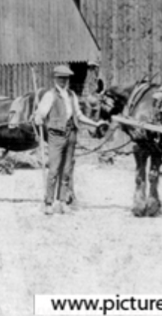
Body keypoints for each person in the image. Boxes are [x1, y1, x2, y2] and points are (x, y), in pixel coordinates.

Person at [33, 65, 107, 215]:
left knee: (66, 170)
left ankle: (62, 202)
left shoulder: (72, 95)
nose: (63, 81)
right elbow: (40, 114)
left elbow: (78, 115)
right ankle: (48, 203)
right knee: (54, 169)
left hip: (71, 134)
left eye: (65, 78)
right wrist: (38, 118)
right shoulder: (50, 95)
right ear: (55, 79)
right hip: (56, 135)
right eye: (60, 78)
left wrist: (95, 123)